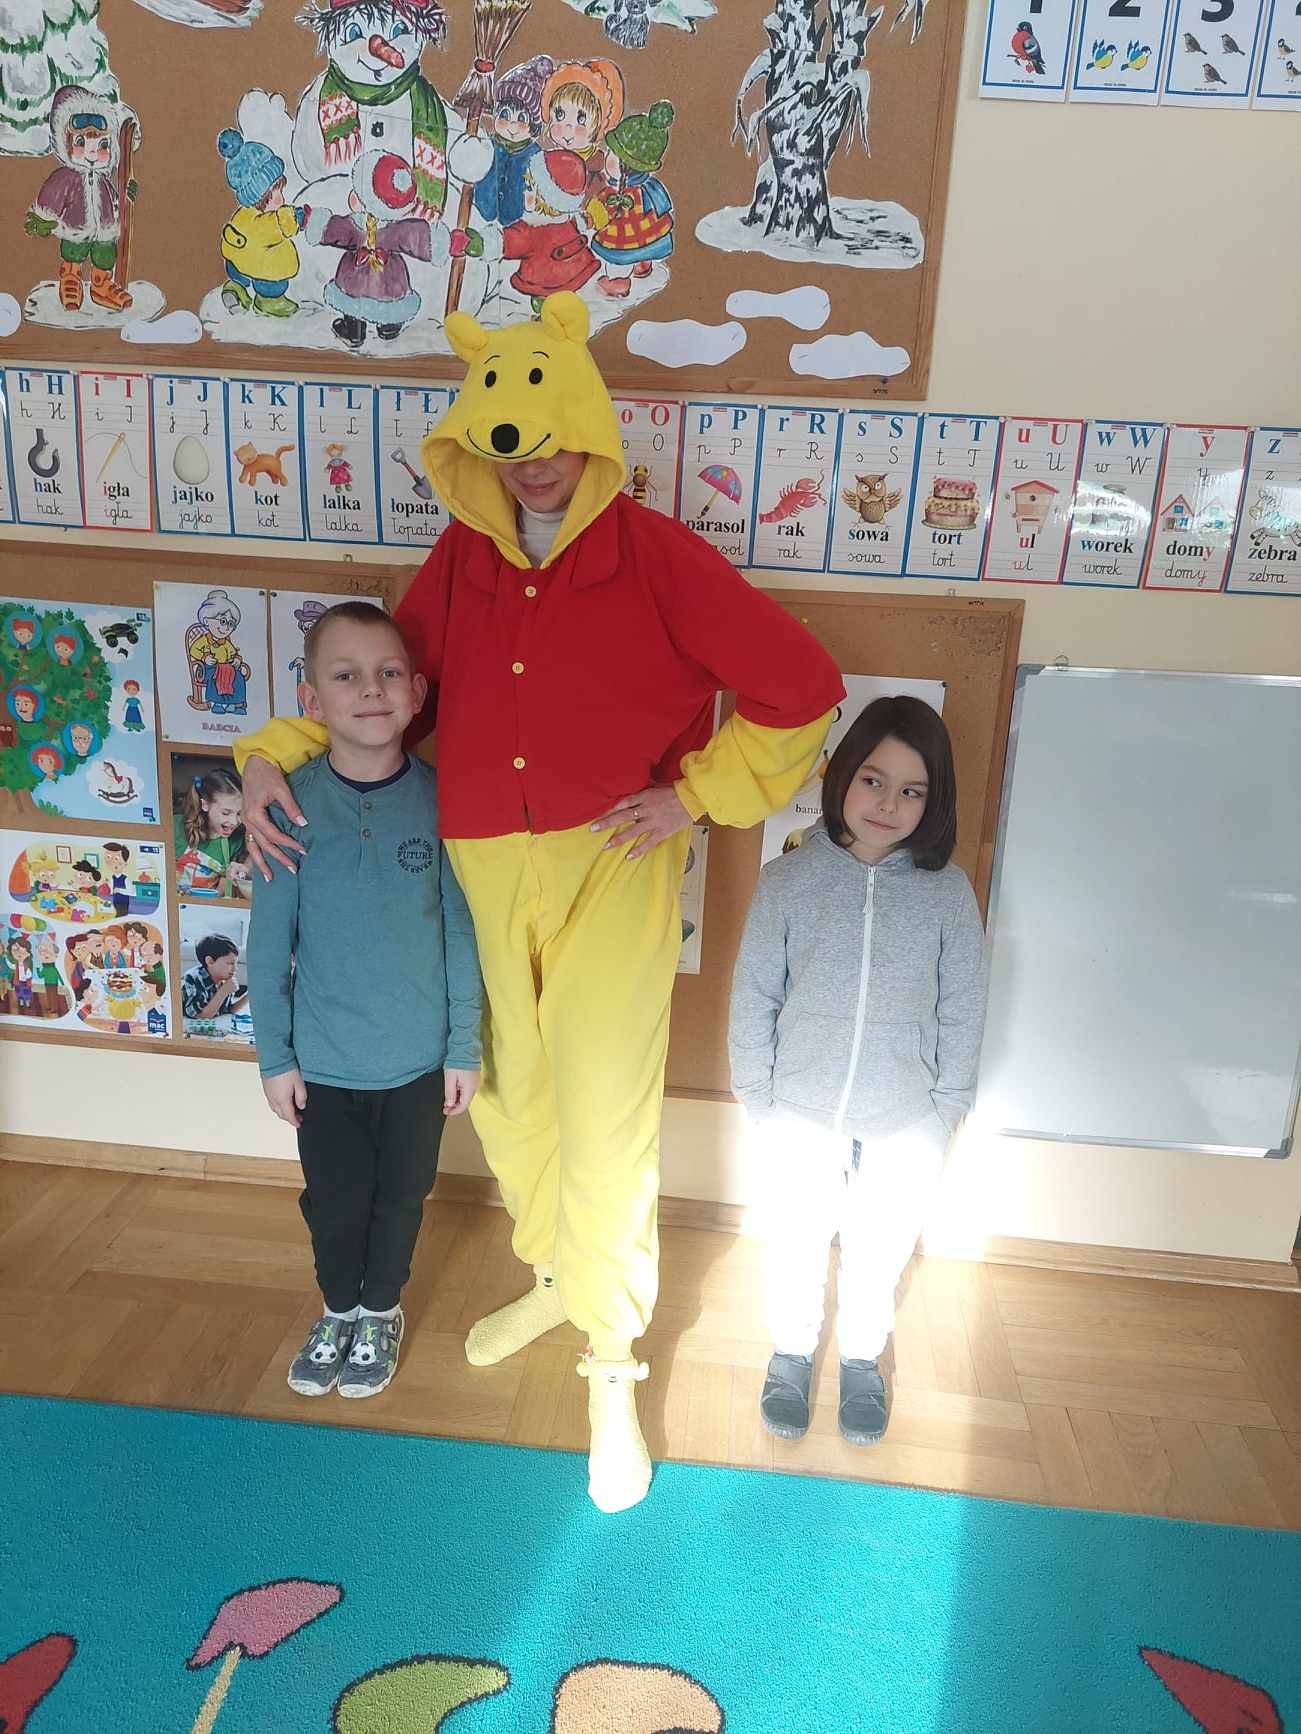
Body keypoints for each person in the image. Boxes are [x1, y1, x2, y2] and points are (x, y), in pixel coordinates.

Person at [235, 291, 843, 1513]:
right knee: (505, 1096)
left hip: (608, 863)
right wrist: (267, 754)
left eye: (555, 435)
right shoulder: (462, 557)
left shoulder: (654, 553)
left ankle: (611, 1366)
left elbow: (799, 684)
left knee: (605, 1110)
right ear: (477, 444)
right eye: (508, 444)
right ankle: (557, 1274)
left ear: (588, 427)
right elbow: (383, 686)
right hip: (475, 866)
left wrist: (696, 796)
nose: (536, 462)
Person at [729, 697, 988, 1449]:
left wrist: (945, 1108)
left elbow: (963, 1004)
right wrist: (757, 1095)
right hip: (797, 1106)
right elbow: (755, 992)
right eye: (874, 780)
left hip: (907, 1114)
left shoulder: (947, 893)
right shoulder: (789, 880)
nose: (887, 804)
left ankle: (862, 1357)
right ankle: (791, 1352)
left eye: (912, 791)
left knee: (880, 1246)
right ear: (843, 775)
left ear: (933, 802)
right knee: (796, 1240)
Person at [247, 602, 482, 1402]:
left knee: (402, 1201)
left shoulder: (446, 803)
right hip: (324, 1066)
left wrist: (463, 1046)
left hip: (419, 1063)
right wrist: (274, 1059)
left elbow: (460, 933)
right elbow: (266, 947)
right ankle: (337, 1309)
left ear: (417, 693)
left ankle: (380, 1312)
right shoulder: (286, 808)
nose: (370, 690)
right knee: (338, 1205)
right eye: (346, 676)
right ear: (311, 702)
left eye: (388, 674)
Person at [174, 766, 250, 899]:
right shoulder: (175, 826)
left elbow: (225, 882)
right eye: (226, 813)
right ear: (205, 805)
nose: (234, 821)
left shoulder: (236, 841)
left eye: (239, 813)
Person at [181, 934, 248, 1024]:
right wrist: (223, 991)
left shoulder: (223, 979)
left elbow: (229, 1009)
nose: (235, 968)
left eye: (236, 963)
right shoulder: (192, 979)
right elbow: (200, 1016)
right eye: (230, 963)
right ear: (210, 961)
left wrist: (249, 994)